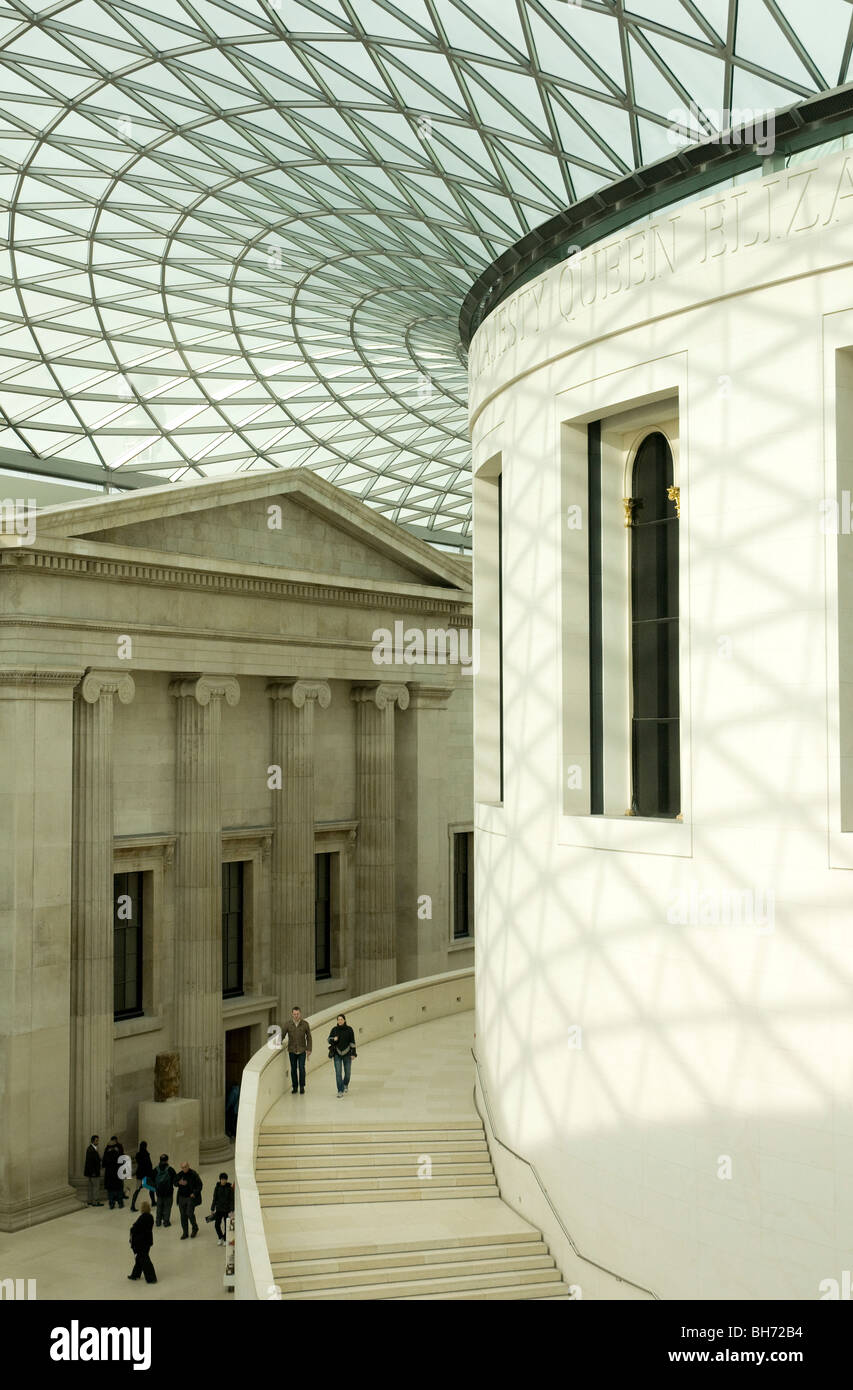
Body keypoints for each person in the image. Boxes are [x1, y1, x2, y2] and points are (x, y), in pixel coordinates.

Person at [283, 1005, 312, 1094]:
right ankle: (295, 1087)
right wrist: (277, 1043)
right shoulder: (287, 1024)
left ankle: (302, 1086)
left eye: (297, 1014)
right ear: (292, 1014)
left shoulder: (305, 1024)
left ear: (300, 1014)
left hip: (302, 1050)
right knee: (293, 1069)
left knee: (302, 1068)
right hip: (292, 1050)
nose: (296, 1015)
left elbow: (309, 1037)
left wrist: (309, 1049)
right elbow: (282, 1035)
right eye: (294, 1014)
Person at [127, 1199, 157, 1285]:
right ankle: (135, 1274)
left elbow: (135, 1228)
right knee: (140, 1258)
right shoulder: (150, 1217)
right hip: (147, 1241)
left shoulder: (142, 1217)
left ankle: (151, 1278)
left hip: (141, 1242)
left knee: (144, 1259)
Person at [327, 1013, 357, 1097]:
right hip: (337, 1054)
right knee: (338, 1073)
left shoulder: (349, 1029)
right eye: (338, 1019)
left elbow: (352, 1042)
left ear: (344, 1020)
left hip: (347, 1054)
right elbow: (329, 1040)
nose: (340, 1021)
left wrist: (353, 1053)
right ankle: (340, 1090)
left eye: (341, 1019)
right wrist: (333, 1039)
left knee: (348, 1073)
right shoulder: (334, 1030)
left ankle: (345, 1084)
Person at [175, 1161, 203, 1239]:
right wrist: (178, 1183)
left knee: (189, 1213)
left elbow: (200, 1185)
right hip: (181, 1197)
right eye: (183, 1167)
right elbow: (174, 1182)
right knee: (183, 1215)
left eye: (185, 1167)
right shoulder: (180, 1174)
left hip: (190, 1197)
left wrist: (194, 1193)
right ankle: (185, 1232)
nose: (184, 1169)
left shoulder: (193, 1174)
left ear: (188, 1166)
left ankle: (195, 1228)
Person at [210, 1172, 234, 1245]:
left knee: (227, 1225)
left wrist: (231, 1210)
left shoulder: (229, 1188)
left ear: (226, 1180)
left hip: (227, 1210)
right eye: (222, 1179)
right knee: (217, 1225)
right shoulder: (217, 1188)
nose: (223, 1181)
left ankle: (225, 1238)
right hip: (219, 1209)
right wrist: (212, 1208)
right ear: (220, 1180)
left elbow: (231, 1200)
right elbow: (214, 1198)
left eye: (225, 1179)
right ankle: (220, 1237)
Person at [153, 1154, 177, 1228]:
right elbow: (175, 1181)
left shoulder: (155, 1170)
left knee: (159, 1207)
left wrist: (156, 1188)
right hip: (168, 1193)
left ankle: (158, 1222)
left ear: (160, 1160)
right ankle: (166, 1222)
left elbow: (152, 1180)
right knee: (167, 1207)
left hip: (159, 1193)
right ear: (167, 1160)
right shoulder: (170, 1170)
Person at [129, 1140, 153, 1211]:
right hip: (146, 1175)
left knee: (137, 1190)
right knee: (151, 1188)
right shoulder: (146, 1154)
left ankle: (132, 1206)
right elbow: (149, 1165)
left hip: (139, 1175)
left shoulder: (138, 1155)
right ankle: (153, 1202)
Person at [102, 1135, 125, 1210]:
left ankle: (111, 1203)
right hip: (117, 1173)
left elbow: (104, 1163)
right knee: (119, 1188)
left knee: (110, 1190)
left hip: (109, 1174)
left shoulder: (107, 1151)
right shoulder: (117, 1151)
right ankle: (120, 1202)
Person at [84, 1135, 103, 1206]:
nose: (98, 1142)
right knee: (96, 1187)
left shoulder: (91, 1148)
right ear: (93, 1141)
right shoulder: (91, 1150)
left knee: (90, 1187)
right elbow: (91, 1162)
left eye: (98, 1140)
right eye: (96, 1140)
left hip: (90, 1173)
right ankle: (95, 1202)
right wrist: (93, 1172)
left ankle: (90, 1201)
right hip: (94, 1172)